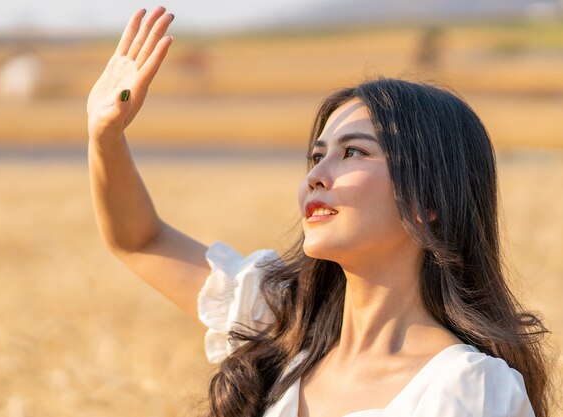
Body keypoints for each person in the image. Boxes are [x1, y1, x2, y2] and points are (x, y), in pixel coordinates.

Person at [87, 7, 557, 417]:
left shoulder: (470, 388)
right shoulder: (282, 326)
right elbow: (140, 241)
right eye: (316, 157)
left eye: (354, 153)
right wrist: (105, 136)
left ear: (427, 200)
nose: (316, 176)